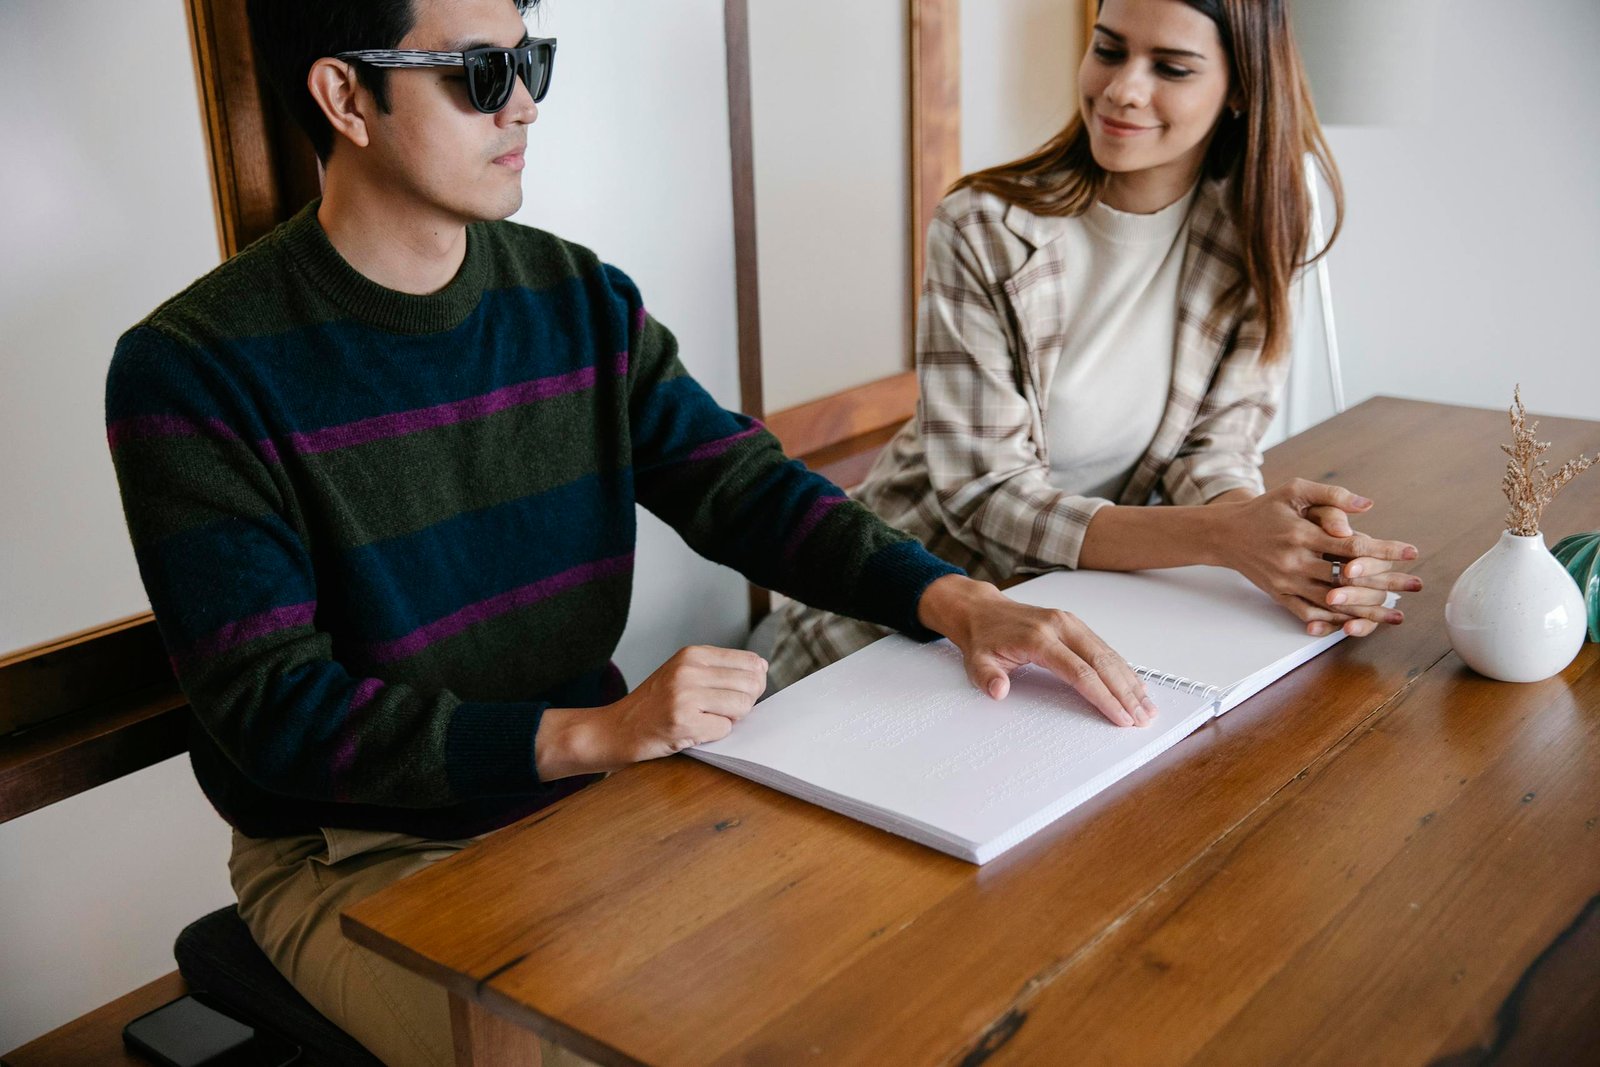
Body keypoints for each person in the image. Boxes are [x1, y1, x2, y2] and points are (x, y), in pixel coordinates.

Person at [103, 1, 1160, 1063]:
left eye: (530, 62)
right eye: (478, 73)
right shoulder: (193, 370)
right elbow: (272, 708)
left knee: (902, 969)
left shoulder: (574, 296)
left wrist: (958, 601)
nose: (521, 102)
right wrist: (594, 734)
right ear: (345, 97)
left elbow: (742, 489)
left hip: (595, 799)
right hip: (356, 849)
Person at [768, 0, 1424, 691]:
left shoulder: (1254, 240)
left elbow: (1211, 449)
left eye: (1170, 67)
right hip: (899, 618)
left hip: (1082, 619)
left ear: (1239, 90)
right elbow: (986, 495)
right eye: (1108, 50)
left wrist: (1288, 536)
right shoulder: (982, 228)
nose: (1122, 89)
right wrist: (1226, 536)